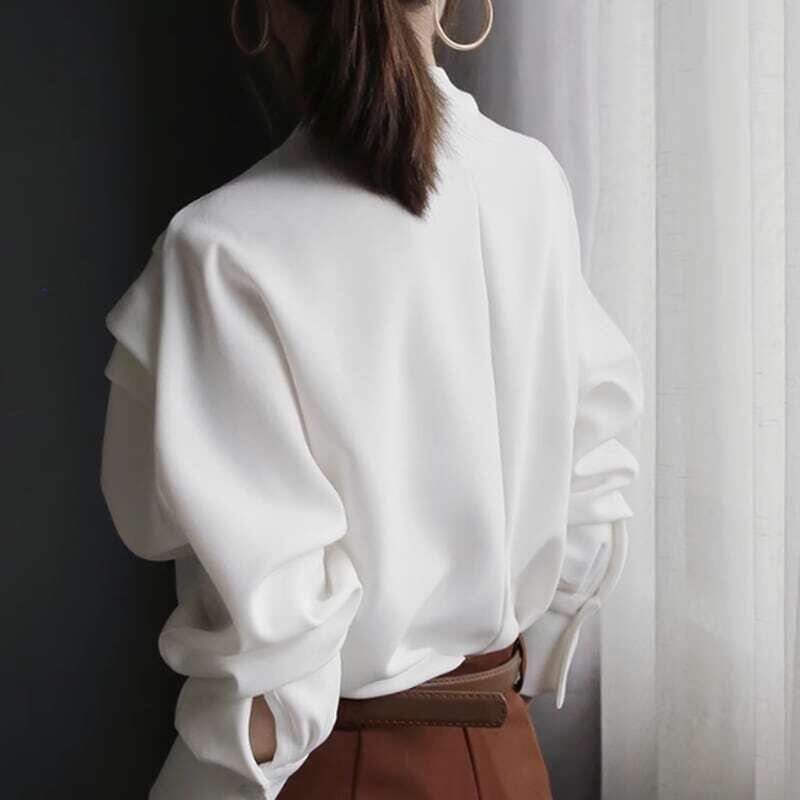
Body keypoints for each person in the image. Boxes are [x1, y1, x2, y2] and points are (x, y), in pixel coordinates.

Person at [99, 1, 644, 798]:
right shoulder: (531, 182)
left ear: (260, 11)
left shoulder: (220, 252)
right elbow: (592, 488)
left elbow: (273, 679)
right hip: (505, 754)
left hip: (341, 769)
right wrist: (497, 683)